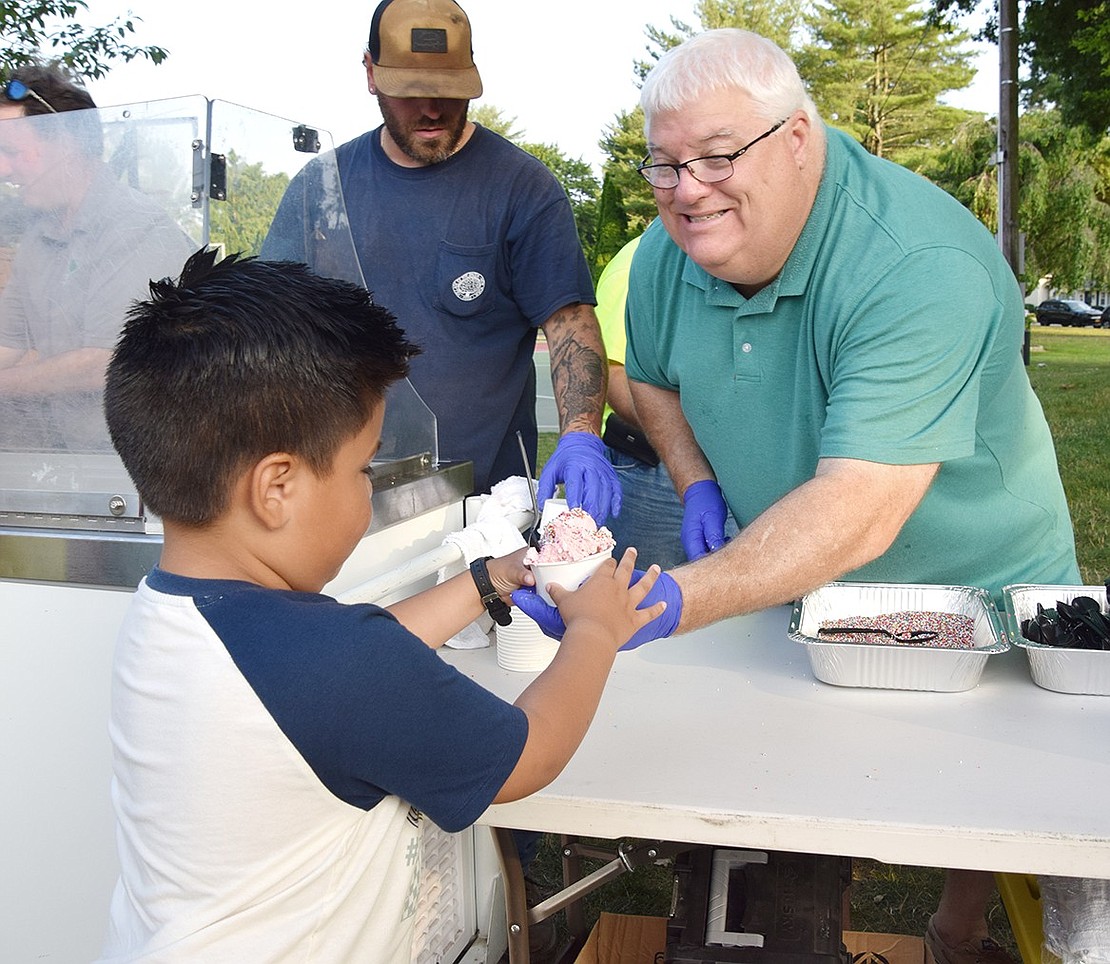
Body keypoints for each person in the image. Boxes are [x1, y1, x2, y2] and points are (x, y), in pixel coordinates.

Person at [516, 28, 1079, 964]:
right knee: (800, 777)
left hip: (973, 584)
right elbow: (648, 375)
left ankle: (955, 929)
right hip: (798, 572)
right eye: (664, 164)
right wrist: (697, 480)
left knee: (994, 796)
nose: (686, 189)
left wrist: (663, 601)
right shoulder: (667, 253)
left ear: (800, 138)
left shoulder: (913, 261)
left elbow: (857, 508)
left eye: (716, 156)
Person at [96, 248, 667, 963]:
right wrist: (596, 630)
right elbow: (528, 756)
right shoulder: (334, 665)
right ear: (277, 489)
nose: (369, 488)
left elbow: (342, 668)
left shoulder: (173, 613)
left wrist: (490, 579)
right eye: (363, 466)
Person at [260, 0, 618, 523]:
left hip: (485, 509)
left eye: (449, 90)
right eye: (410, 91)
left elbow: (570, 325)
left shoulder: (522, 188)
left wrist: (582, 435)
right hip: (339, 505)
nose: (431, 108)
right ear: (370, 74)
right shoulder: (323, 189)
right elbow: (266, 330)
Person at [0, 63, 196, 451]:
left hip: (154, 467)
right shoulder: (39, 239)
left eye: (10, 152)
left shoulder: (136, 227)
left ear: (66, 143)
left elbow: (102, 362)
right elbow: (8, 346)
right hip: (76, 462)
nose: (3, 169)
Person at [596, 234, 738, 569]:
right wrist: (707, 427)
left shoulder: (720, 258)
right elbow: (615, 377)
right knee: (646, 601)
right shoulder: (639, 262)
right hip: (652, 473)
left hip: (723, 464)